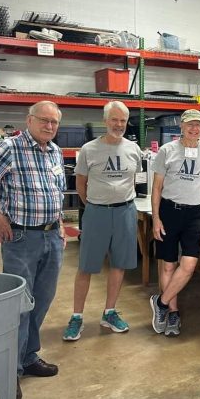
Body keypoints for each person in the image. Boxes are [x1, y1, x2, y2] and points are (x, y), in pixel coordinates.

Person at [0, 100, 66, 399]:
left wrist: (60, 224)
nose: (49, 126)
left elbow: (56, 191)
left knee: (41, 301)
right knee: (19, 306)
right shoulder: (10, 148)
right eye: (44, 120)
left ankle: (27, 357)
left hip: (52, 237)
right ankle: (10, 371)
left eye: (54, 122)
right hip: (22, 239)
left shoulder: (55, 151)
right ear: (30, 120)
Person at [62, 101, 142, 341]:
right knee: (86, 266)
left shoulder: (134, 149)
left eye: (123, 121)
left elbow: (133, 179)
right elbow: (80, 185)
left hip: (126, 211)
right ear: (105, 121)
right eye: (114, 120)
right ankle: (77, 316)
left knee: (119, 264)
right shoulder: (89, 149)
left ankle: (109, 312)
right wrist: (96, 206)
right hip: (96, 212)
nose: (119, 125)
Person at [149, 109, 200, 337]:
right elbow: (156, 188)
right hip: (169, 211)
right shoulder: (167, 151)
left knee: (188, 264)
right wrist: (156, 218)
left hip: (195, 213)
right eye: (190, 125)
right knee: (168, 265)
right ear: (181, 127)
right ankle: (173, 313)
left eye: (199, 125)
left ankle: (161, 302)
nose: (194, 129)